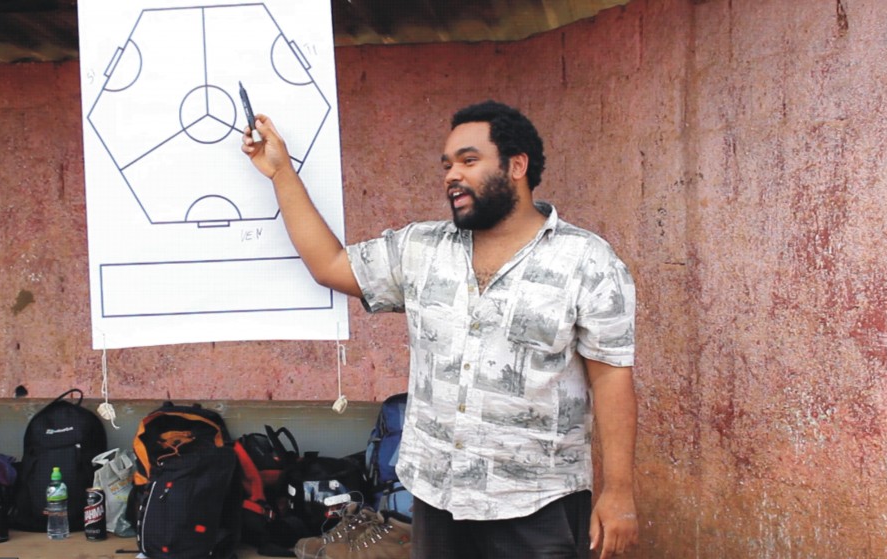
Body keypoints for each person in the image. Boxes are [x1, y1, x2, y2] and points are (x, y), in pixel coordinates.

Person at [242, 100, 639, 559]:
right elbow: (330, 265)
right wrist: (281, 173)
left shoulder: (588, 262)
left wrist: (619, 492)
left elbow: (611, 377)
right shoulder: (421, 249)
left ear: (517, 165)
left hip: (539, 501)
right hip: (437, 497)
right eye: (447, 164)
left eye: (469, 161)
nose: (452, 175)